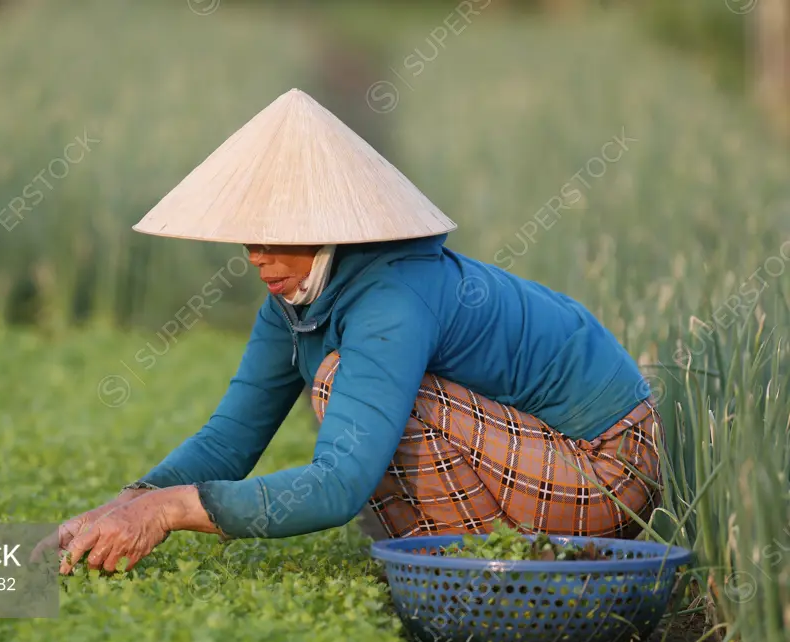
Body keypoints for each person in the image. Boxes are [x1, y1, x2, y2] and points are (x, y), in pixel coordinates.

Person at [50, 89, 663, 576]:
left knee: (340, 384)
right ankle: (451, 567)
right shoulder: (293, 300)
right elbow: (230, 439)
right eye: (249, 236)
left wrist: (173, 511)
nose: (256, 257)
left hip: (605, 468)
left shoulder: (393, 297)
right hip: (532, 454)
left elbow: (340, 484)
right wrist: (131, 501)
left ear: (328, 227)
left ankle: (470, 571)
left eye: (275, 235)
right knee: (347, 391)